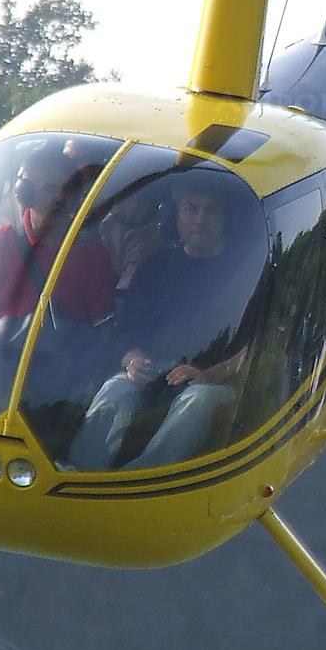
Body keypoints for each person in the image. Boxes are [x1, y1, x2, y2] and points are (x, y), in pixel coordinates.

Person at [71, 172, 255, 470]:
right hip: (153, 372)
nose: (200, 219)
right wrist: (132, 359)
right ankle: (77, 475)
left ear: (225, 218)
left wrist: (208, 374)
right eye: (191, 209)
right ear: (176, 214)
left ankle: (138, 481)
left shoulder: (246, 273)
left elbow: (255, 343)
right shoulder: (155, 266)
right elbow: (124, 331)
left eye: (210, 210)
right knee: (115, 390)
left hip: (211, 380)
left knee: (196, 402)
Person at [0, 143, 116, 407]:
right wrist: (10, 345)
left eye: (64, 190)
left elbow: (103, 327)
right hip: (6, 374)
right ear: (25, 192)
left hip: (65, 376)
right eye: (48, 189)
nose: (58, 199)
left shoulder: (91, 253)